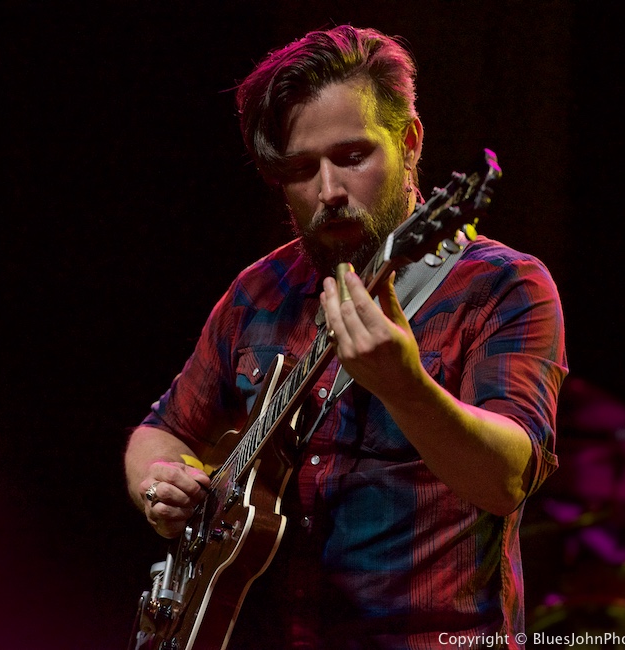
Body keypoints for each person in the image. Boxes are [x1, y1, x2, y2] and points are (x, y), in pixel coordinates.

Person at [124, 25, 567, 649]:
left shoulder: (503, 287)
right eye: (302, 169)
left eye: (352, 157)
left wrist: (404, 386)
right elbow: (158, 430)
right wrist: (160, 480)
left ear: (409, 142)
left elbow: (506, 481)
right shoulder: (261, 289)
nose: (329, 191)